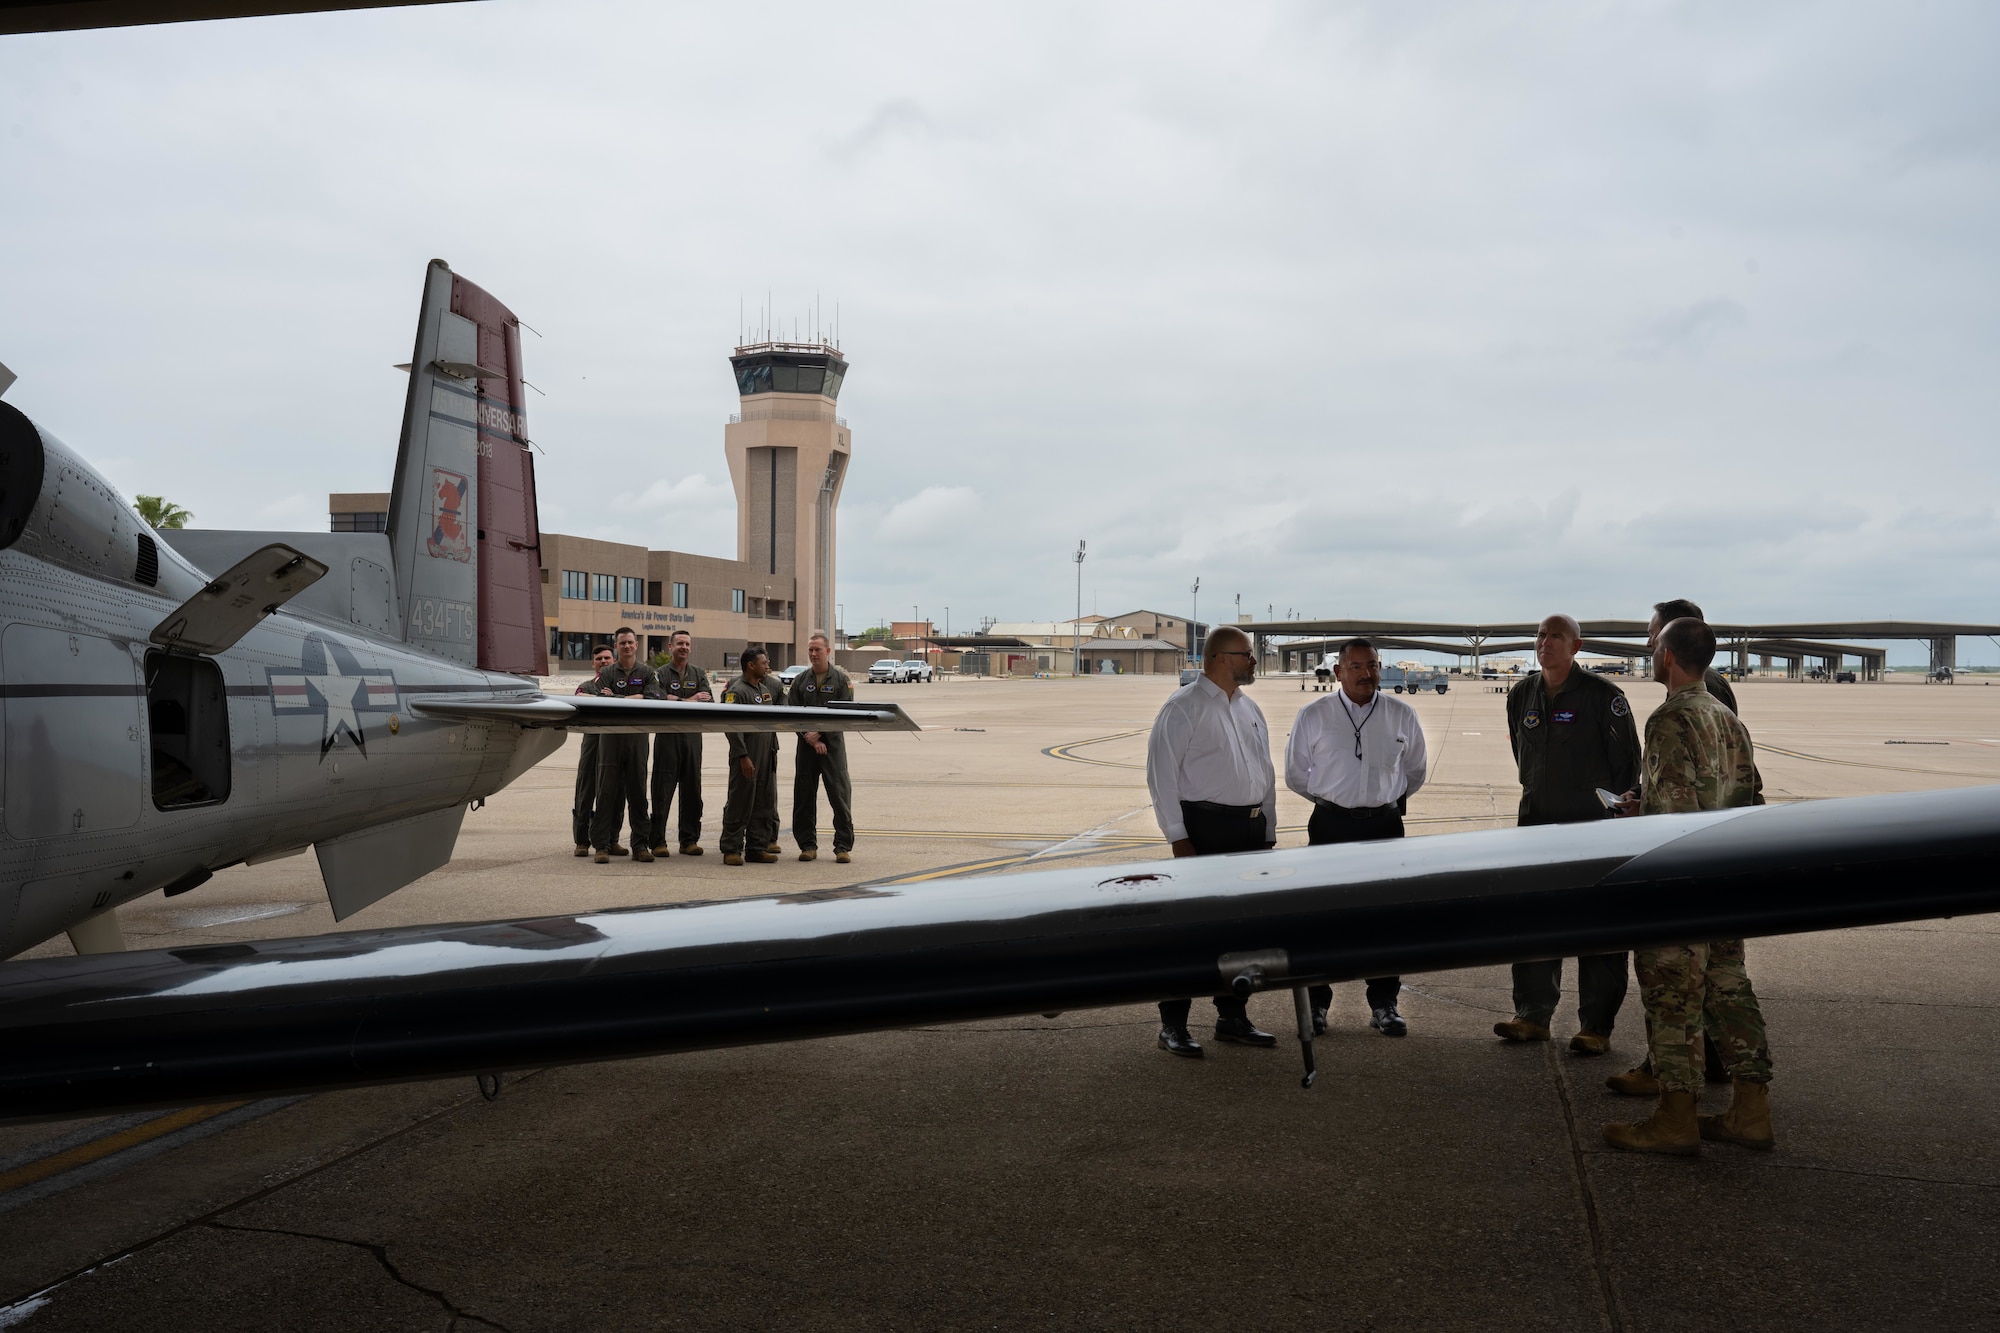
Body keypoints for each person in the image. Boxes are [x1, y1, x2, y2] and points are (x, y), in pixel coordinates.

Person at [1602, 617, 1774, 1155]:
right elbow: (1751, 802)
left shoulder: (1671, 719)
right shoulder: (1728, 719)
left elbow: (1672, 818)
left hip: (1682, 886)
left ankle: (1675, 1119)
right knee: (1730, 992)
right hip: (1727, 882)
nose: (1652, 654)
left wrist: (1637, 818)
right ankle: (1752, 1112)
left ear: (1670, 657)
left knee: (1673, 997)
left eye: (1655, 647)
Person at [1493, 615, 1641, 1054]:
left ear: (1577, 645)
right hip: (1537, 824)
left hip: (1593, 831)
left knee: (1597, 928)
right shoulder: (1522, 693)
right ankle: (1532, 1015)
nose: (1545, 643)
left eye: (1555, 636)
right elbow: (1523, 756)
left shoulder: (1604, 696)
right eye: (1540, 635)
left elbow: (1626, 765)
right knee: (1536, 919)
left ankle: (1596, 1026)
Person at [1144, 625, 1280, 1058]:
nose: (1254, 660)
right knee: (1190, 932)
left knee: (1242, 931)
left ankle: (1232, 1016)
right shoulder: (1183, 707)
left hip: (1248, 832)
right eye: (1247, 654)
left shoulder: (1248, 707)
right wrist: (1178, 838)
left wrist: (1268, 831)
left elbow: (1266, 774)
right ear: (1221, 658)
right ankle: (1173, 1025)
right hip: (1204, 829)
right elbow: (1160, 776)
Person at [1284, 638, 1427, 1038]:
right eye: (1358, 666)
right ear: (1339, 672)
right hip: (1330, 826)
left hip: (1384, 827)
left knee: (1385, 918)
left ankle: (1384, 1003)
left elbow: (1415, 771)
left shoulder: (1401, 714)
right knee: (1321, 918)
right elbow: (1296, 774)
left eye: (1374, 665)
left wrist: (1382, 803)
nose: (1368, 674)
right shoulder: (1314, 715)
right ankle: (1316, 1005)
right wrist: (1336, 801)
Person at [590, 628, 659, 865]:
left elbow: (653, 698)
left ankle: (640, 845)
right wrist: (636, 697)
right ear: (616, 645)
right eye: (622, 643)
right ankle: (602, 845)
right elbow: (601, 699)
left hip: (637, 740)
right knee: (607, 791)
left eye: (630, 642)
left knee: (638, 793)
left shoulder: (648, 672)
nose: (627, 646)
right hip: (611, 739)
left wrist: (618, 698)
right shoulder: (607, 672)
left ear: (636, 644)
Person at [789, 631, 855, 864]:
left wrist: (822, 734)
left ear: (828, 651)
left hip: (833, 749)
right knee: (804, 797)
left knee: (839, 796)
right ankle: (807, 845)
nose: (813, 653)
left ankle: (842, 847)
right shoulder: (800, 681)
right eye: (810, 650)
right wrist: (810, 738)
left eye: (817, 649)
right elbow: (792, 714)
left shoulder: (841, 680)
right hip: (807, 749)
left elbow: (845, 713)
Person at [649, 629, 712, 858]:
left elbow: (708, 699)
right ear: (670, 646)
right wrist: (691, 699)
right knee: (662, 791)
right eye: (679, 644)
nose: (684, 647)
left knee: (692, 791)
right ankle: (657, 841)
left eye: (687, 644)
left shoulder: (698, 674)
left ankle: (689, 840)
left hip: (693, 740)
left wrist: (676, 699)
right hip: (668, 739)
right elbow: (656, 697)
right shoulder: (659, 674)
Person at [720, 646, 783, 867]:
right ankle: (731, 848)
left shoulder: (763, 690)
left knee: (763, 801)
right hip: (746, 757)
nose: (768, 666)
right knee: (740, 801)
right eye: (764, 663)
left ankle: (757, 848)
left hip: (766, 755)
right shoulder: (736, 692)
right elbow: (730, 726)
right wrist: (742, 755)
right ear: (751, 665)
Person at [571, 643, 615, 856]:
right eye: (599, 659)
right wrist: (604, 698)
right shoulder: (587, 686)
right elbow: (579, 697)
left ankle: (610, 840)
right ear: (593, 663)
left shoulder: (619, 684)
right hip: (592, 744)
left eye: (607, 658)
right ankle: (581, 841)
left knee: (612, 793)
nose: (604, 662)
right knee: (585, 790)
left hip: (614, 744)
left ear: (613, 660)